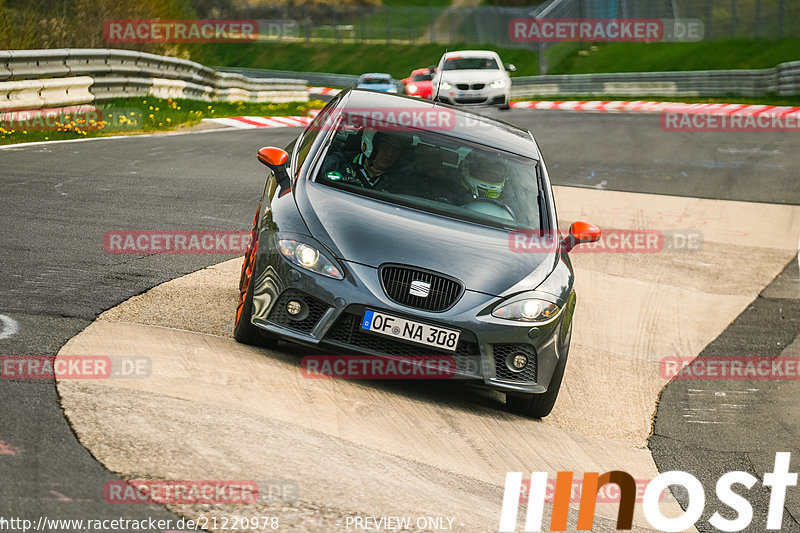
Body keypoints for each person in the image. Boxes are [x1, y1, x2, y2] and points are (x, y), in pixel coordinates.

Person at [321, 129, 411, 191]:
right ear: (370, 146)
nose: (390, 153)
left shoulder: (402, 182)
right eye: (385, 147)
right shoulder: (337, 164)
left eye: (395, 150)